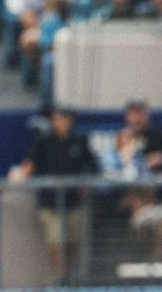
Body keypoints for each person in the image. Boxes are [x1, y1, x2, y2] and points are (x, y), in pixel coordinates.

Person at [11, 107, 98, 282]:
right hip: (50, 202)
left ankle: (66, 273)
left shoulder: (79, 142)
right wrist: (19, 175)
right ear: (53, 121)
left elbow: (94, 167)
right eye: (59, 118)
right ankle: (62, 276)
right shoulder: (44, 142)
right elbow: (31, 164)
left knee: (73, 241)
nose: (63, 122)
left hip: (73, 201)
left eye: (67, 118)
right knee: (56, 240)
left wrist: (86, 184)